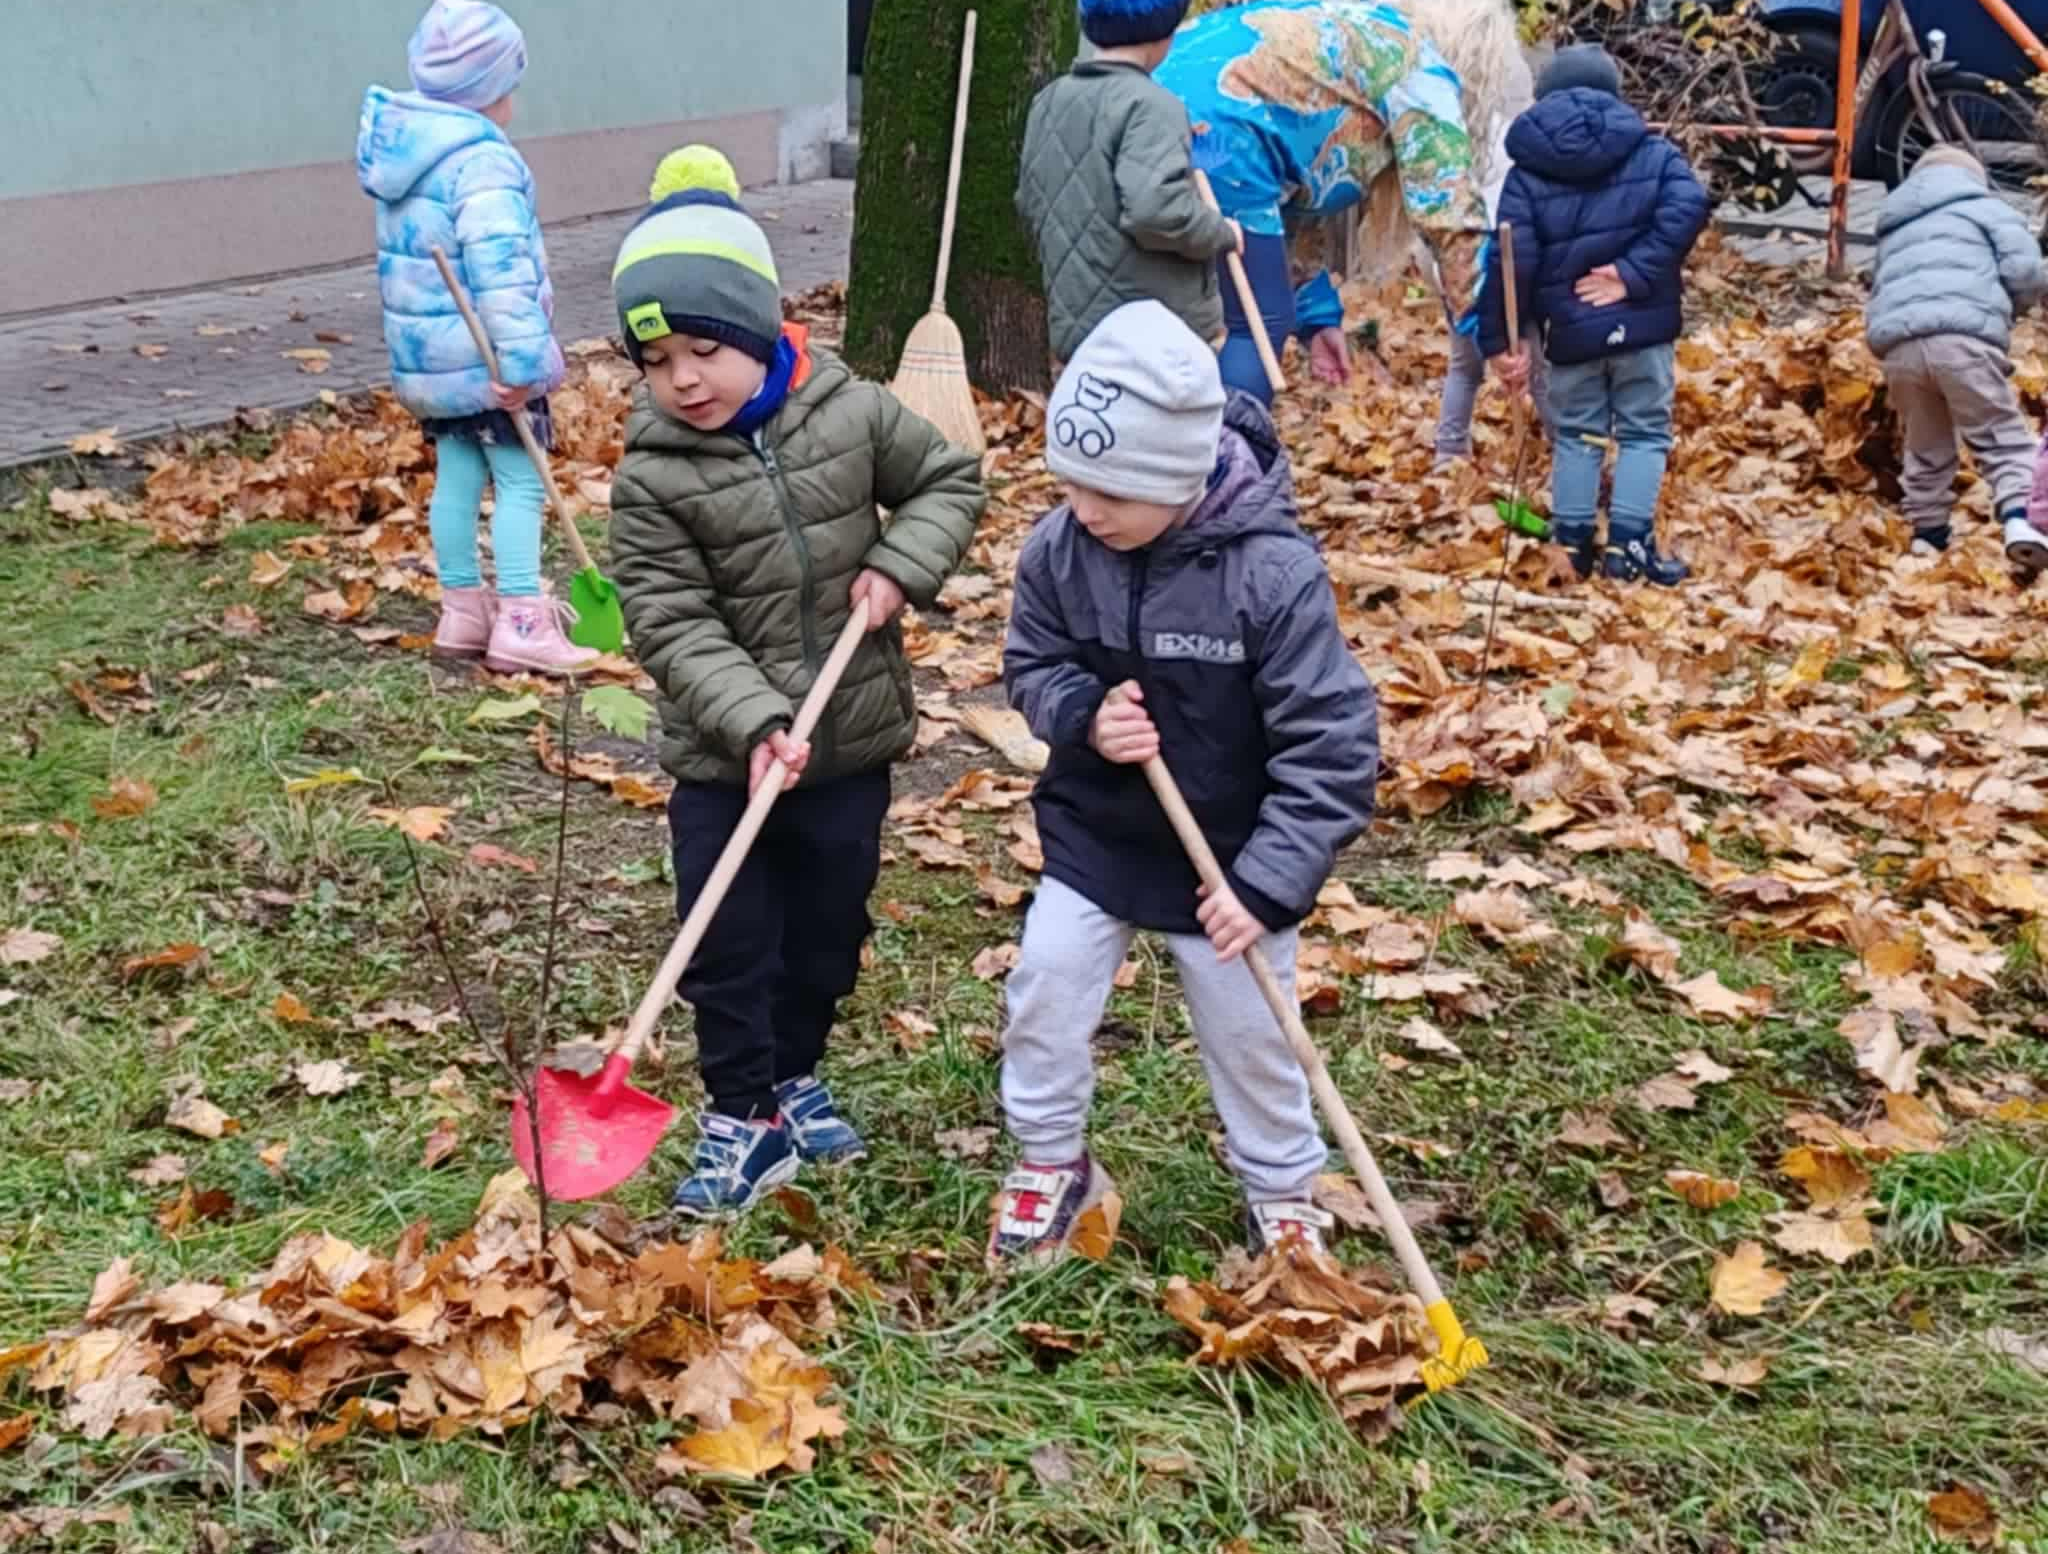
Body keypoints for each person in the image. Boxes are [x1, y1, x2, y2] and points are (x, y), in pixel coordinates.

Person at [607, 149, 987, 1219]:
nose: (684, 379)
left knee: (824, 928)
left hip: (849, 735)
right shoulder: (652, 478)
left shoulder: (853, 413)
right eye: (658, 361)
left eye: (705, 348)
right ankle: (740, 1113)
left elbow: (949, 480)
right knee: (726, 936)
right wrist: (756, 721)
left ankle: (792, 1073)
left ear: (764, 327)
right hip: (726, 754)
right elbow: (669, 619)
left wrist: (899, 567)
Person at [991, 300, 1380, 1264]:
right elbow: (1030, 663)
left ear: (1179, 477)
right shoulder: (1061, 549)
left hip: (1234, 864)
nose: (1084, 510)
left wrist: (1266, 885)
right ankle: (1050, 1157)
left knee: (1255, 1034)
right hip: (1100, 836)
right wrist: (1081, 713)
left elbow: (1332, 744)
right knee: (1044, 989)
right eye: (1071, 484)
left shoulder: (1272, 577)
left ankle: (1282, 1186)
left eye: (1109, 494)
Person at [357, 0, 593, 674]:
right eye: (509, 83)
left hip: (435, 364)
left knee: (458, 476)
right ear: (489, 89)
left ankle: (464, 611)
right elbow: (501, 271)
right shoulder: (481, 162)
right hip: (489, 359)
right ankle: (521, 617)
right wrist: (523, 362)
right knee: (520, 482)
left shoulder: (409, 153)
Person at [1154, 0, 1514, 404]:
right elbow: (1447, 210)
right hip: (1222, 135)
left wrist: (1316, 314)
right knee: (1258, 322)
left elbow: (1295, 183)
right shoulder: (1418, 64)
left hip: (1149, 101)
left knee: (1161, 313)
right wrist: (1494, 334)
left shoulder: (1347, 28)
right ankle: (1230, 459)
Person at [1479, 44, 1709, 585]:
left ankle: (1573, 545)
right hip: (1643, 329)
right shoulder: (1652, 153)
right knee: (1644, 431)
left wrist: (1500, 340)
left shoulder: (1527, 172)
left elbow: (1512, 259)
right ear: (1614, 94)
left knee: (1578, 433)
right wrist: (1631, 274)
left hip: (1573, 335)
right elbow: (1688, 206)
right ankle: (1629, 548)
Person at [1016, 0, 1245, 364]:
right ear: (1163, 33)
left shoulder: (1048, 102)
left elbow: (1030, 200)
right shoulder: (1151, 106)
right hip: (1156, 342)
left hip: (1080, 334)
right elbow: (1155, 211)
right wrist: (1221, 231)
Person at [1866, 145, 2048, 567]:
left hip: (1901, 350)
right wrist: (2011, 309)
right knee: (1999, 434)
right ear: (1974, 177)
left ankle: (1927, 536)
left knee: (1925, 443)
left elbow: (1878, 286)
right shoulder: (1985, 208)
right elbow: (2025, 271)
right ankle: (2021, 521)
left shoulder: (1896, 223)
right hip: (1965, 338)